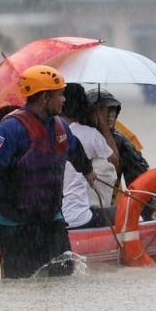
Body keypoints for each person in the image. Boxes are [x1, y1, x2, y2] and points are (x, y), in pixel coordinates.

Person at [0, 65, 95, 279]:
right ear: (44, 98)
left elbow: (75, 149)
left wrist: (88, 171)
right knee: (21, 283)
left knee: (64, 275)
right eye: (60, 95)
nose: (64, 100)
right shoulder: (11, 129)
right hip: (14, 223)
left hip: (50, 221)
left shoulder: (61, 127)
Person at [86, 88, 156, 221]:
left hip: (108, 209)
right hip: (75, 209)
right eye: (104, 110)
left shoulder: (121, 141)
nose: (110, 115)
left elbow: (140, 178)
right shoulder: (72, 136)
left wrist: (153, 209)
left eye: (113, 110)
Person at [61, 83, 118, 228]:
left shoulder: (50, 133)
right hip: (81, 216)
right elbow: (114, 161)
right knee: (126, 213)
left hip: (57, 216)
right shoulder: (90, 135)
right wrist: (103, 124)